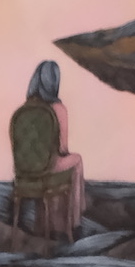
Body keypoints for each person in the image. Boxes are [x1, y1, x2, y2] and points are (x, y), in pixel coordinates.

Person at [17, 57, 85, 236]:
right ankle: (74, 224)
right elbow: (63, 149)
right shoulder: (58, 109)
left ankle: (43, 226)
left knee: (49, 163)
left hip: (24, 173)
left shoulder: (24, 110)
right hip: (48, 168)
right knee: (76, 160)